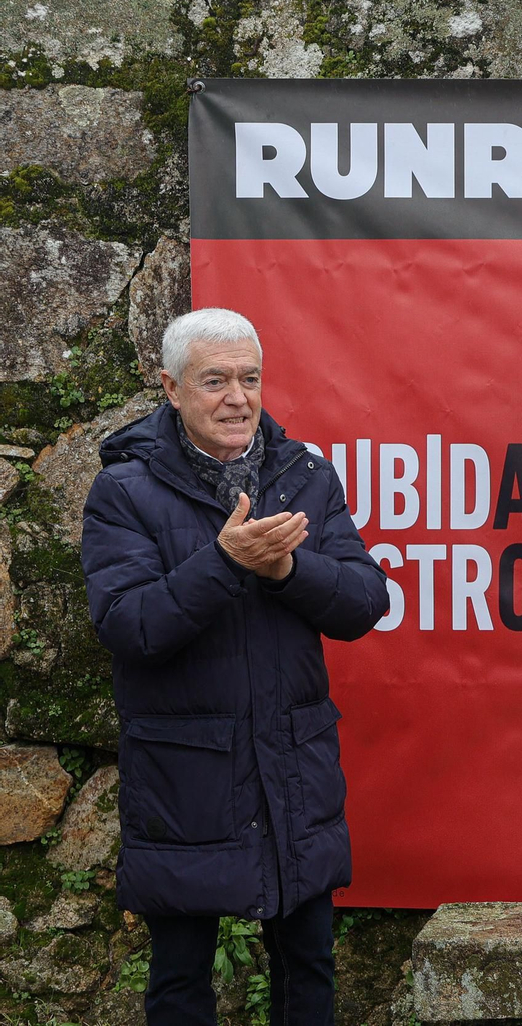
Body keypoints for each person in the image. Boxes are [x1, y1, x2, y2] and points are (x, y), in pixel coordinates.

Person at [80, 308, 390, 1024]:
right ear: (171, 387)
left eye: (249, 379)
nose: (238, 398)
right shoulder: (124, 491)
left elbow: (364, 601)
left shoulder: (304, 473)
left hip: (294, 768)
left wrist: (287, 568)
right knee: (181, 976)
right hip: (183, 775)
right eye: (214, 380)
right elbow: (130, 625)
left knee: (307, 966)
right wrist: (223, 563)